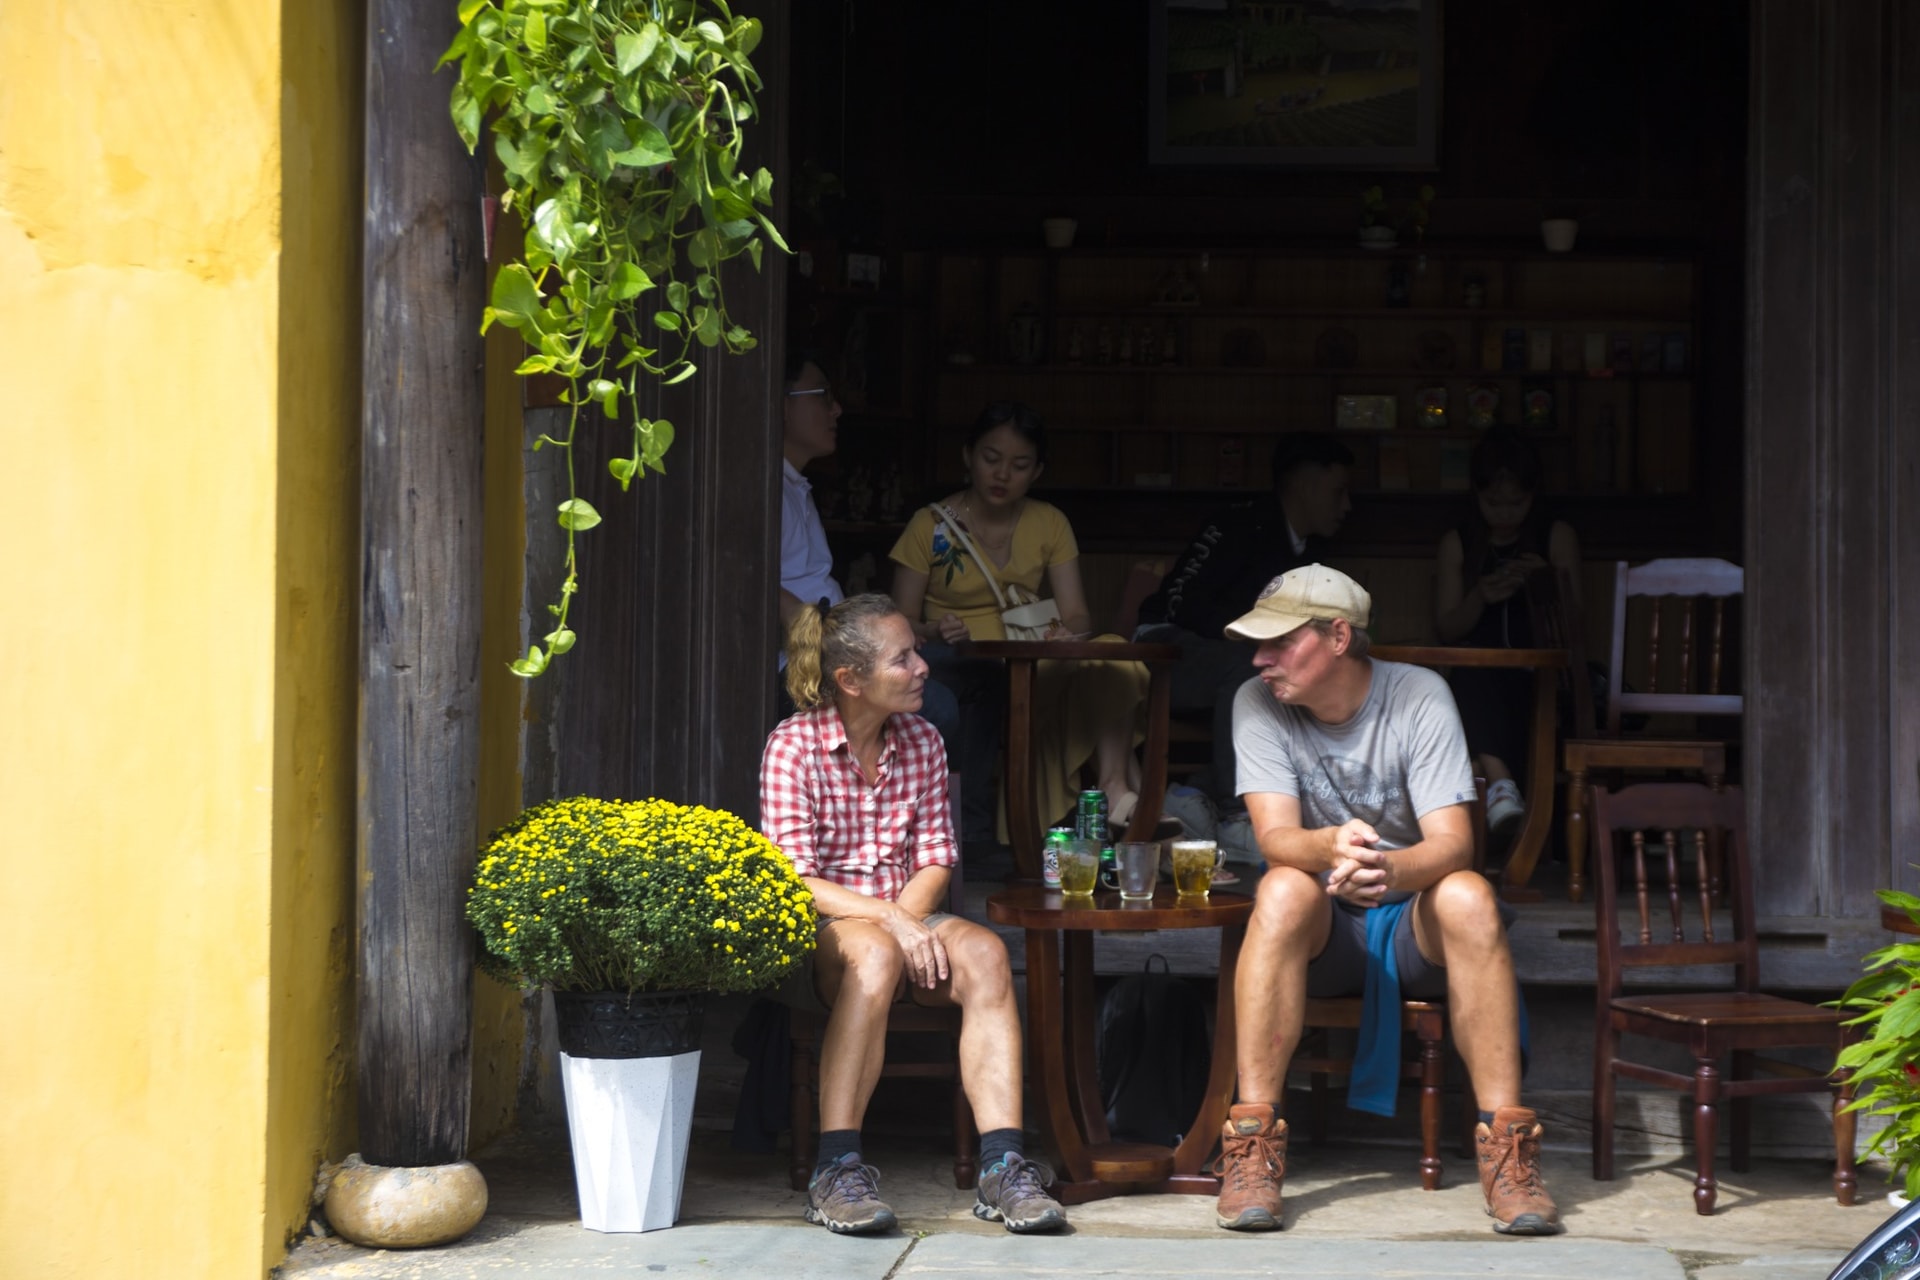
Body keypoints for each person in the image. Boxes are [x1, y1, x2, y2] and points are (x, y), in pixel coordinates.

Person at [1214, 564, 1560, 1237]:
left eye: (1279, 642)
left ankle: (1510, 1153)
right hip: (1325, 925)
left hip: (1412, 922)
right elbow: (1275, 838)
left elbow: (1455, 843)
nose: (1260, 659)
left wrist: (1387, 870)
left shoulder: (1418, 696)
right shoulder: (1257, 699)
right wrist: (1331, 848)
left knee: (1467, 894)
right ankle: (1252, 1147)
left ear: (1338, 636)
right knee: (1281, 887)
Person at [761, 593, 1067, 1236]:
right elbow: (795, 877)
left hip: (908, 916)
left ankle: (1001, 1165)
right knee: (871, 952)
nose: (923, 666)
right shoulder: (794, 746)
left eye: (917, 651)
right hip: (829, 930)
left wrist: (901, 921)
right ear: (851, 680)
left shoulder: (923, 739)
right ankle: (834, 1173)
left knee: (984, 952)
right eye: (903, 657)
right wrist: (889, 925)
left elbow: (935, 859)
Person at [889, 401, 1151, 842]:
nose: (1002, 474)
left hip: (1037, 660)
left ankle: (1113, 783)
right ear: (968, 457)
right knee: (1000, 683)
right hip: (965, 662)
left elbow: (1078, 614)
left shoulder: (1050, 522)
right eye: (991, 459)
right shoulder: (929, 526)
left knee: (1113, 656)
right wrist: (936, 630)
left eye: (1019, 464)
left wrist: (1070, 634)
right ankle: (1130, 805)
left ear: (1037, 472)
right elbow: (899, 621)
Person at [1133, 432, 1354, 805]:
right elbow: (1182, 603)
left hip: (1234, 656)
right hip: (1164, 646)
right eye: (1338, 492)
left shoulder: (1314, 548)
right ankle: (1239, 813)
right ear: (1305, 484)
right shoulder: (1238, 523)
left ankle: (1195, 794)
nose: (1347, 505)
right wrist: (1265, 635)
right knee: (1254, 667)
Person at [779, 350, 958, 736]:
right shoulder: (767, 491)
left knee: (972, 673)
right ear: (781, 407)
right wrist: (846, 645)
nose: (837, 409)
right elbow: (759, 586)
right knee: (938, 708)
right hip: (806, 663)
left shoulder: (794, 485)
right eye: (823, 396)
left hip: (839, 645)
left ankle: (964, 800)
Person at [1431, 428, 1581, 844]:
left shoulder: (1555, 536)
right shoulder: (1459, 542)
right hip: (1476, 681)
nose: (1504, 513)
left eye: (1516, 502)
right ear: (1476, 495)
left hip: (1539, 680)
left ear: (1534, 495)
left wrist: (1545, 586)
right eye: (1493, 502)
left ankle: (1499, 783)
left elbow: (1575, 630)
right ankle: (1500, 784)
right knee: (1472, 669)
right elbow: (1447, 628)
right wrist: (1480, 594)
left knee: (1488, 683)